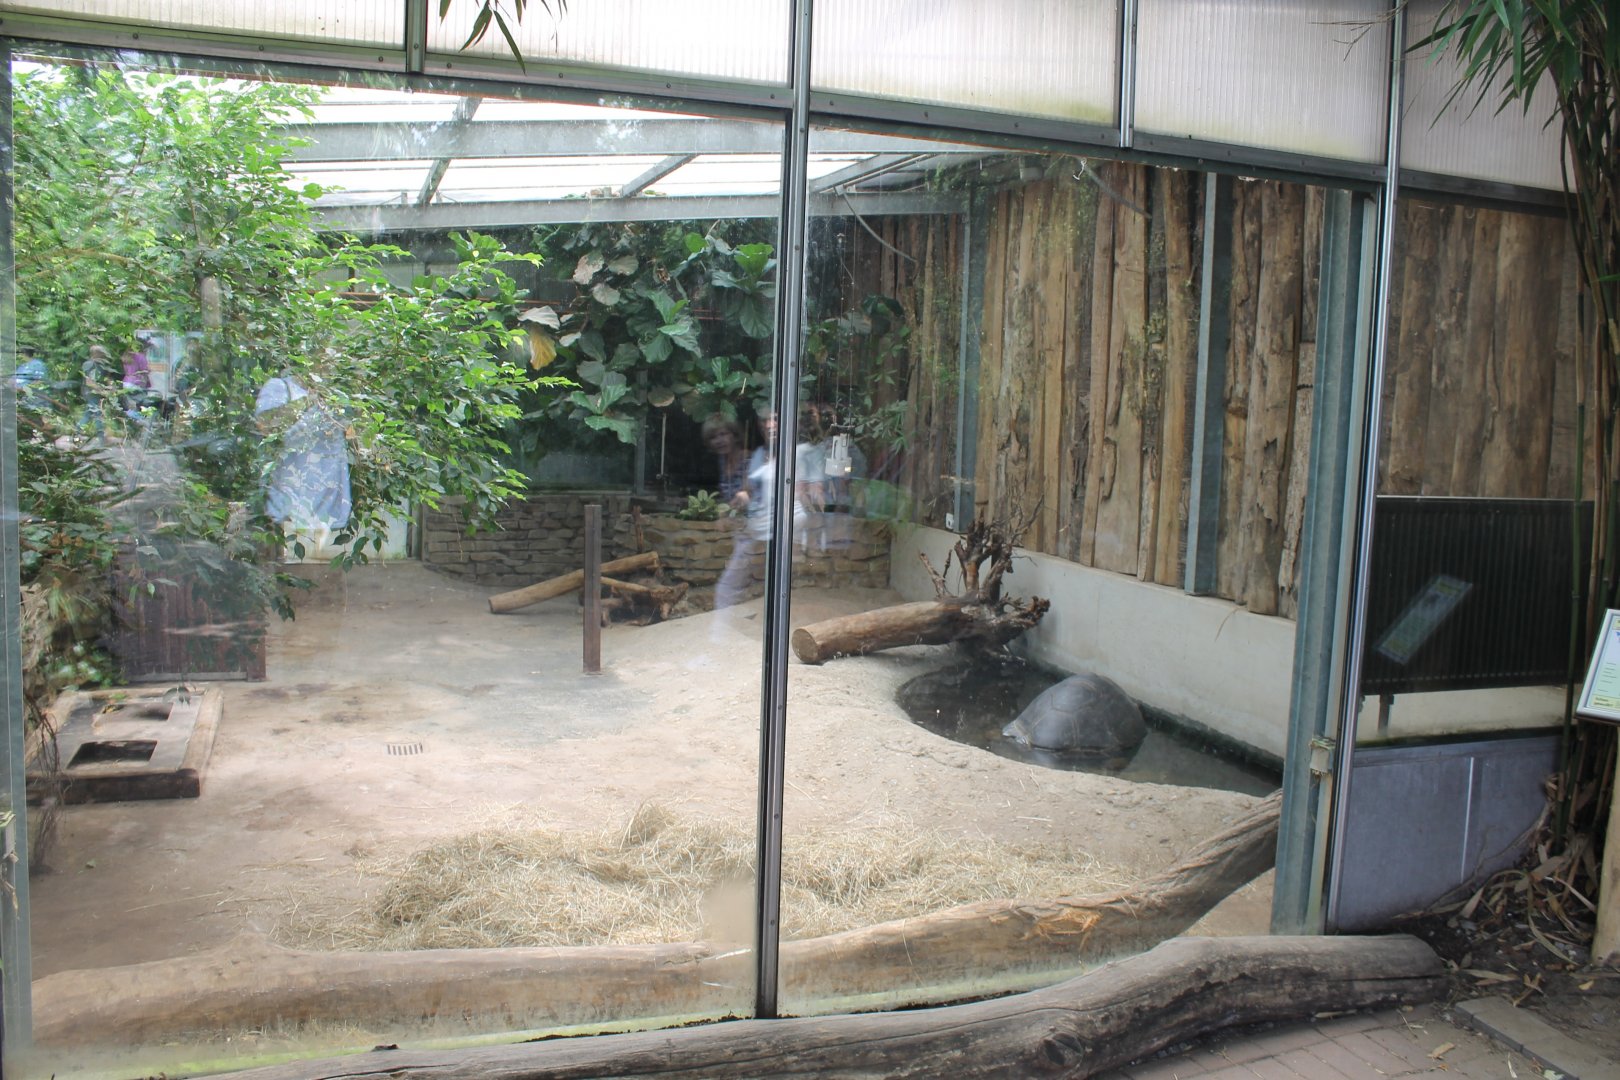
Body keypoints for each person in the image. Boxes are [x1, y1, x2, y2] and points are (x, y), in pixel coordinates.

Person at [714, 408, 804, 610]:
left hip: (785, 529)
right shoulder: (759, 454)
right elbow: (748, 490)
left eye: (775, 419)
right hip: (757, 528)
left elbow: (807, 493)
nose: (769, 425)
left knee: (780, 586)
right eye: (764, 420)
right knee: (728, 586)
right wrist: (729, 509)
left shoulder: (799, 453)